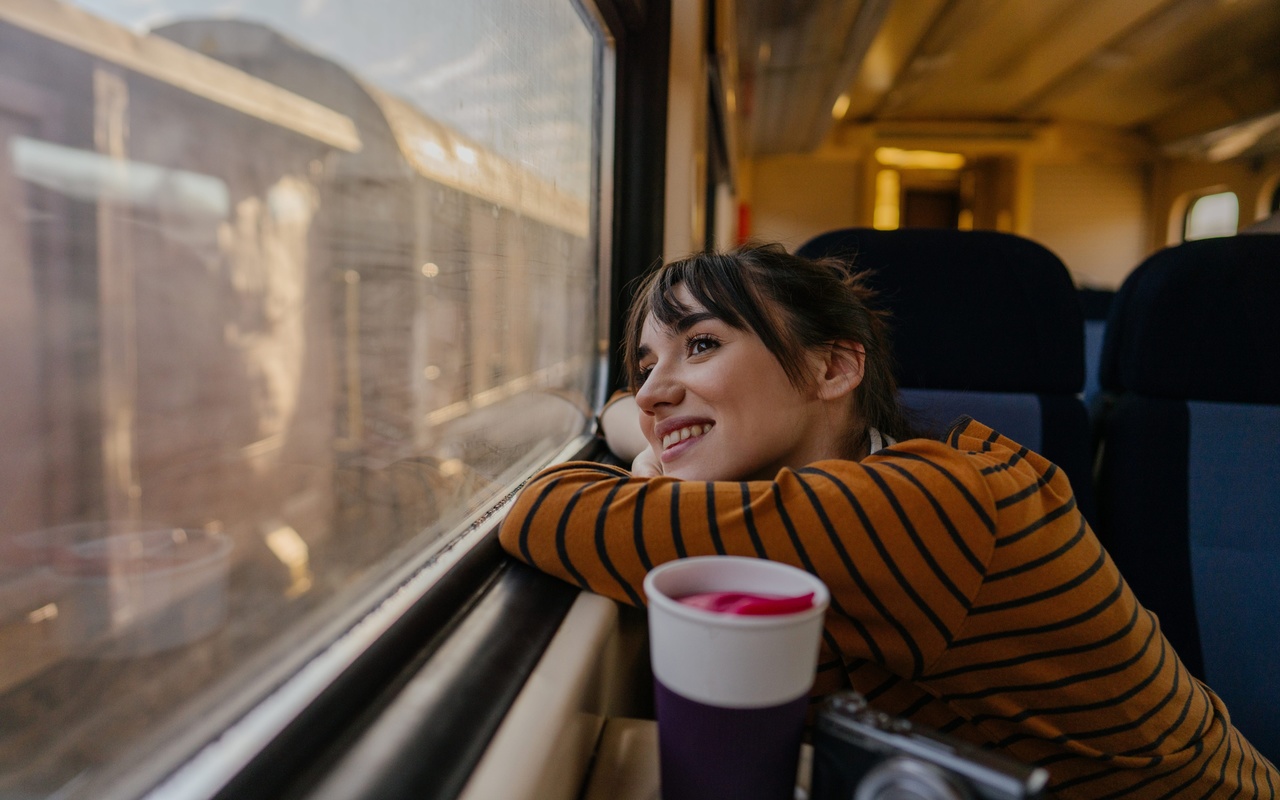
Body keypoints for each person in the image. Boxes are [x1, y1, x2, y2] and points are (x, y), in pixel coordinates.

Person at [497, 243, 1278, 799]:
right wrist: (652, 436)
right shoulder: (824, 497)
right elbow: (630, 415)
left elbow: (542, 510)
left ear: (832, 368)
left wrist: (650, 457)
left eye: (701, 344)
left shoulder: (927, 507)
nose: (658, 390)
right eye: (645, 365)